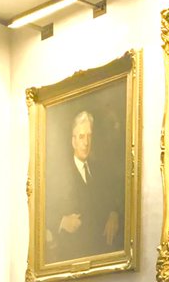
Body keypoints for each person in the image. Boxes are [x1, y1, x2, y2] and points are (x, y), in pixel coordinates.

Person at [46, 110, 121, 260]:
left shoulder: (99, 170)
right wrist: (61, 221)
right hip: (72, 255)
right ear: (73, 141)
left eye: (89, 136)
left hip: (102, 253)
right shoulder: (58, 175)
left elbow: (114, 195)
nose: (86, 143)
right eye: (81, 137)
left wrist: (114, 213)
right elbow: (41, 211)